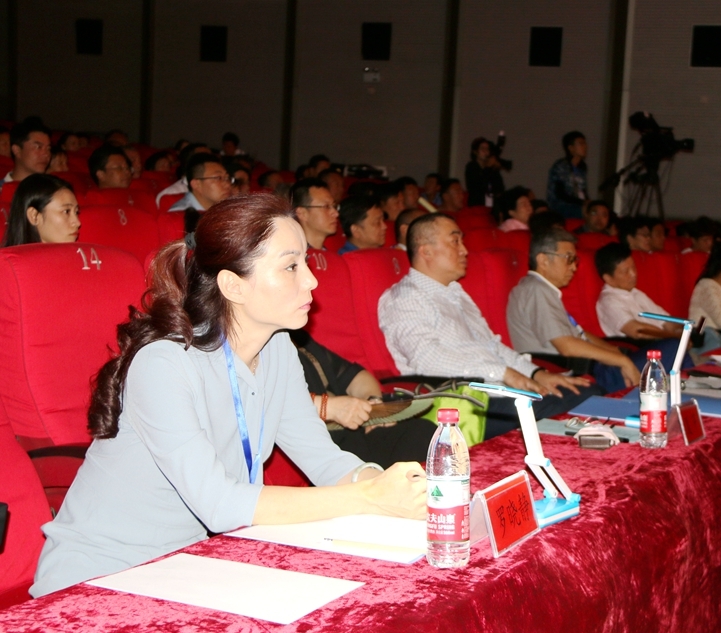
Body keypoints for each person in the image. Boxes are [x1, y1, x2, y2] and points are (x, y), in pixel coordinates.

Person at [30, 194, 426, 598]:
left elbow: (323, 459)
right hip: (102, 574)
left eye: (306, 262)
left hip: (191, 564)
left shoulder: (277, 349)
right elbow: (219, 504)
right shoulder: (164, 364)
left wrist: (396, 488)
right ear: (233, 285)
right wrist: (367, 498)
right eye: (291, 266)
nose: (311, 280)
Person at [378, 213, 599, 439]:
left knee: (586, 392)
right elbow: (427, 360)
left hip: (496, 391)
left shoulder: (456, 293)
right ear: (426, 251)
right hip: (460, 402)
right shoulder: (405, 298)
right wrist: (502, 373)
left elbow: (492, 345)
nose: (464, 250)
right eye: (455, 241)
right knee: (574, 403)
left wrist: (536, 373)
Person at [506, 228, 641, 393]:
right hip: (559, 372)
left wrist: (614, 352)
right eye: (568, 259)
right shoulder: (536, 290)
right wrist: (621, 360)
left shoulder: (544, 290)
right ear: (543, 260)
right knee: (655, 361)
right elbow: (567, 346)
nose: (574, 268)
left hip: (578, 366)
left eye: (575, 260)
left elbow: (578, 333)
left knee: (650, 362)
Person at [291, 331, 433, 467]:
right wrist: (329, 407)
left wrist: (373, 404)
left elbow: (355, 376)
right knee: (420, 437)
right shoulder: (276, 354)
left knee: (425, 433)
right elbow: (279, 405)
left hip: (351, 431)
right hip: (318, 447)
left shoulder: (298, 339)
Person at [595, 243, 683, 341]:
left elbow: (667, 322)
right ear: (608, 278)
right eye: (626, 272)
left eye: (633, 267)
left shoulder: (636, 293)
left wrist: (682, 332)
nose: (633, 274)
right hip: (645, 347)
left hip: (667, 341)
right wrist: (674, 338)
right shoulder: (609, 301)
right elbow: (638, 331)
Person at [1, 174, 81, 247]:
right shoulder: (8, 258)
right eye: (66, 211)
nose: (78, 223)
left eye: (76, 212)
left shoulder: (82, 255)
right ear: (34, 216)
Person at [169, 154, 233, 213]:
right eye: (218, 178)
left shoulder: (226, 208)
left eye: (227, 178)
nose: (228, 185)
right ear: (196, 184)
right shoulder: (179, 215)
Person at [546, 131, 588, 219]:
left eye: (585, 143)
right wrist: (582, 202)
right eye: (581, 143)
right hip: (561, 206)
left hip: (578, 204)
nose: (585, 146)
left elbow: (583, 190)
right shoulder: (561, 166)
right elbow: (560, 194)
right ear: (571, 148)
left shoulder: (582, 168)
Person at [2, 119, 52, 191]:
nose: (46, 154)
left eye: (48, 149)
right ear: (17, 150)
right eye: (38, 147)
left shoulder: (52, 191)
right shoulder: (2, 191)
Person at [291, 178, 339, 251]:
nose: (336, 213)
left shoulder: (330, 255)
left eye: (334, 206)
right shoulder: (292, 255)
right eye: (326, 206)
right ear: (302, 213)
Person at [464, 137, 505, 208]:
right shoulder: (471, 167)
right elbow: (477, 187)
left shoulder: (492, 168)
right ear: (475, 152)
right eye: (482, 148)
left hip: (491, 206)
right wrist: (488, 167)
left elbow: (500, 188)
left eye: (487, 149)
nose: (485, 151)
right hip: (477, 206)